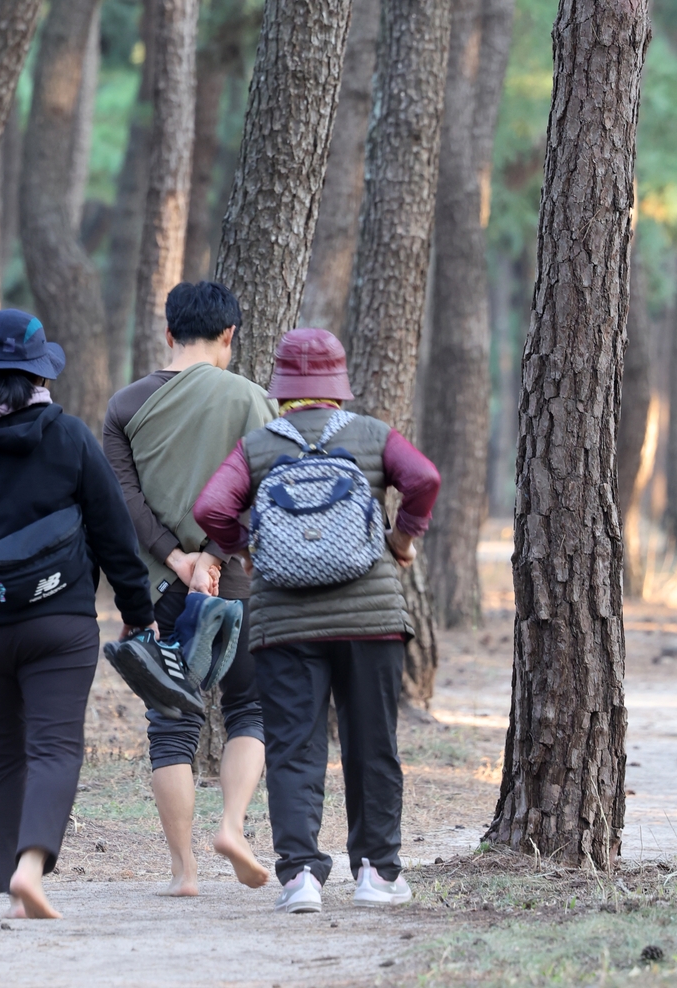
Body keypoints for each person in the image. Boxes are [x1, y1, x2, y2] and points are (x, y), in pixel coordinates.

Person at [0, 309, 155, 919]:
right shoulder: (68, 436)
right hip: (60, 621)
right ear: (41, 373)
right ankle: (32, 871)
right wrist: (137, 609)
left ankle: (9, 881)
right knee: (54, 746)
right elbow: (114, 531)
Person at [192, 328, 441, 913]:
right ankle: (378, 874)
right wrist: (401, 540)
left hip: (285, 624)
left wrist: (248, 545)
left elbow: (211, 507)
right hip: (371, 619)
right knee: (371, 743)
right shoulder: (373, 436)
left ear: (281, 389)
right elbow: (424, 479)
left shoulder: (256, 446)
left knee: (293, 746)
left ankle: (301, 876)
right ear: (337, 387)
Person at [101, 281, 277, 896]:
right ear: (228, 335)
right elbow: (264, 492)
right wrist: (215, 554)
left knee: (170, 723)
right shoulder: (254, 400)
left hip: (158, 587)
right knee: (250, 710)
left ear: (168, 332)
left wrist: (177, 558)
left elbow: (122, 500)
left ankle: (184, 872)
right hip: (240, 583)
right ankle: (232, 825)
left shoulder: (124, 407)